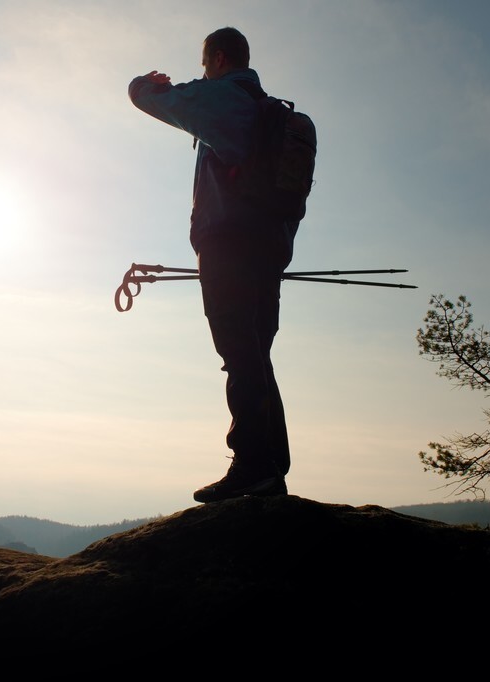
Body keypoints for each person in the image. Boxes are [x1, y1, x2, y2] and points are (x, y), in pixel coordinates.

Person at [129, 27, 297, 503]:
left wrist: (144, 81)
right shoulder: (270, 112)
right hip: (270, 249)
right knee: (255, 354)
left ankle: (250, 466)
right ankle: (271, 468)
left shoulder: (224, 98)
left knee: (238, 354)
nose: (201, 73)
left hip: (228, 247)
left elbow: (148, 98)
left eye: (204, 65)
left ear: (218, 59)